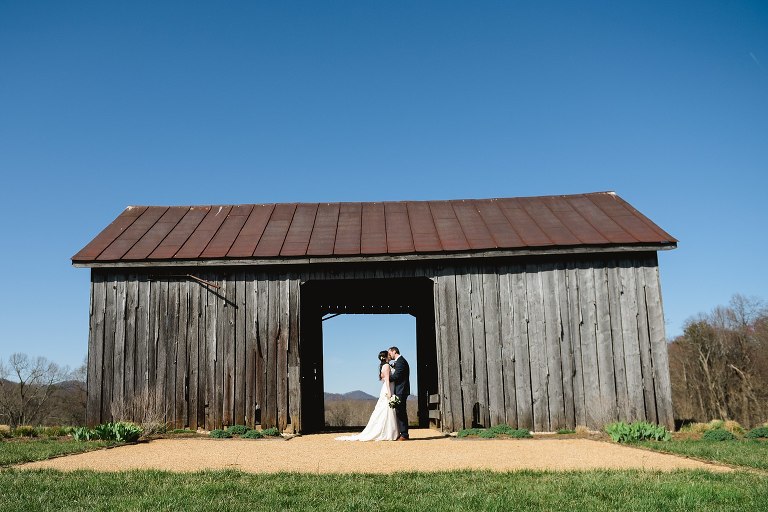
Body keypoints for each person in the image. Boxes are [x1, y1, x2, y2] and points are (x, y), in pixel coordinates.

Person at [335, 350, 399, 441]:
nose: (390, 356)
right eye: (388, 355)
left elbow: (383, 379)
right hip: (388, 388)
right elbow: (387, 380)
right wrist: (389, 393)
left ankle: (388, 431)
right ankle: (388, 433)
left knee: (384, 409)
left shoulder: (383, 366)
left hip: (386, 388)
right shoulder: (387, 366)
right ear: (385, 357)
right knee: (387, 409)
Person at [388, 346, 410, 440]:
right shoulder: (399, 361)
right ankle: (402, 433)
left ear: (394, 351)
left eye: (390, 353)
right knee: (399, 411)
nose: (389, 355)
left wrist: (386, 378)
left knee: (401, 411)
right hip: (400, 389)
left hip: (401, 390)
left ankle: (404, 434)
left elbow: (397, 376)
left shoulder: (401, 361)